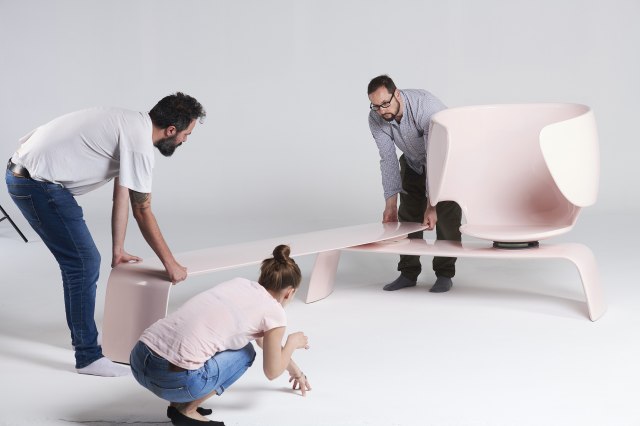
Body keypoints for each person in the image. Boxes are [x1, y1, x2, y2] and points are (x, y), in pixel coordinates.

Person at [5, 92, 206, 377]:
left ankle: (85, 337)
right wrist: (170, 264)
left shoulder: (130, 124)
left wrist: (118, 249)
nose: (185, 140)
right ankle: (87, 356)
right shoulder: (139, 145)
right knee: (83, 263)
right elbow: (142, 211)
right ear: (171, 130)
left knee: (81, 263)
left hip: (28, 176)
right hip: (36, 183)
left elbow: (121, 194)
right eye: (187, 134)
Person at [130, 244, 311, 426]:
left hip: (138, 360)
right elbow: (272, 372)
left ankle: (177, 403)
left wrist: (296, 372)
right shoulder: (274, 312)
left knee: (208, 340)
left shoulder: (239, 284)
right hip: (172, 382)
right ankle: (187, 411)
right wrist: (292, 343)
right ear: (289, 293)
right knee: (246, 352)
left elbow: (265, 344)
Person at [367, 75, 462, 293]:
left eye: (385, 104)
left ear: (397, 94)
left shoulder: (426, 108)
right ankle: (408, 273)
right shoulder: (376, 117)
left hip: (446, 161)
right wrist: (390, 205)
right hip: (413, 161)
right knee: (407, 217)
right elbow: (388, 159)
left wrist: (432, 205)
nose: (381, 111)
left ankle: (444, 274)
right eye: (376, 106)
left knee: (446, 220)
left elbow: (435, 157)